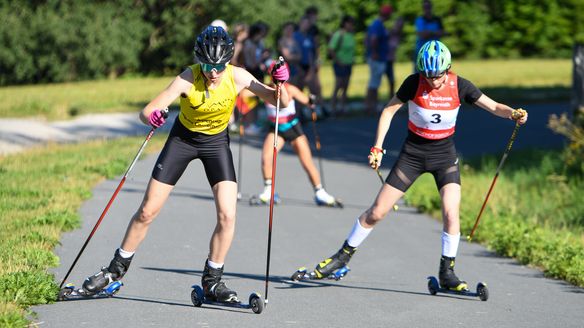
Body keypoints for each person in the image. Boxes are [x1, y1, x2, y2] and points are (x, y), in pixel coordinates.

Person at [80, 26, 290, 303]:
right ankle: (114, 272)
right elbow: (146, 111)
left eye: (218, 66)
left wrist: (281, 84)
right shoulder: (187, 78)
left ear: (227, 61)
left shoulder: (237, 76)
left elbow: (280, 103)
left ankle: (212, 281)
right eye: (206, 65)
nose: (212, 72)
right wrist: (153, 117)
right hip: (183, 141)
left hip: (216, 144)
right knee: (147, 211)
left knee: (228, 215)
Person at [304, 41, 528, 291]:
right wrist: (377, 147)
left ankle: (447, 272)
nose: (433, 82)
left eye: (439, 76)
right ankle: (341, 257)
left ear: (448, 69)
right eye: (428, 76)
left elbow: (495, 106)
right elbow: (388, 112)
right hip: (413, 154)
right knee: (377, 212)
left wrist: (513, 113)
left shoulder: (460, 85)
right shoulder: (413, 82)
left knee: (451, 213)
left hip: (444, 156)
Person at [254, 62, 339, 207]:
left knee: (306, 162)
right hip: (275, 129)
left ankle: (320, 192)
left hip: (293, 128)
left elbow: (307, 101)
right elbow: (245, 93)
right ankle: (269, 191)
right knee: (266, 158)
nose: (278, 79)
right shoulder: (264, 88)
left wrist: (311, 101)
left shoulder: (290, 89)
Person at [364, 4, 392, 115]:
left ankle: (371, 105)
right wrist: (374, 52)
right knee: (374, 83)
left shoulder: (378, 24)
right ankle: (370, 106)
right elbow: (373, 39)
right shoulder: (378, 25)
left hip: (379, 57)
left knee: (375, 82)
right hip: (377, 58)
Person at [328, 15, 356, 117]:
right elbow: (331, 49)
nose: (351, 26)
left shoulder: (351, 35)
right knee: (338, 85)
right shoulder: (338, 35)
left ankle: (343, 108)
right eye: (350, 23)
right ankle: (333, 108)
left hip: (348, 64)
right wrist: (338, 61)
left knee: (345, 86)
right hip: (339, 64)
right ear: (345, 24)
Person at [414, 0, 444, 70]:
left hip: (435, 51)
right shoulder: (420, 19)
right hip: (421, 50)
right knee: (419, 73)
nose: (427, 9)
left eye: (428, 7)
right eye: (425, 7)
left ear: (431, 7)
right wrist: (435, 33)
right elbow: (422, 34)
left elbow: (443, 32)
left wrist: (429, 33)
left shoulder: (437, 19)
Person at [386, 17, 404, 99]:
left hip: (390, 60)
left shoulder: (398, 36)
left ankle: (391, 98)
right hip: (384, 60)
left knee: (392, 81)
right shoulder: (389, 33)